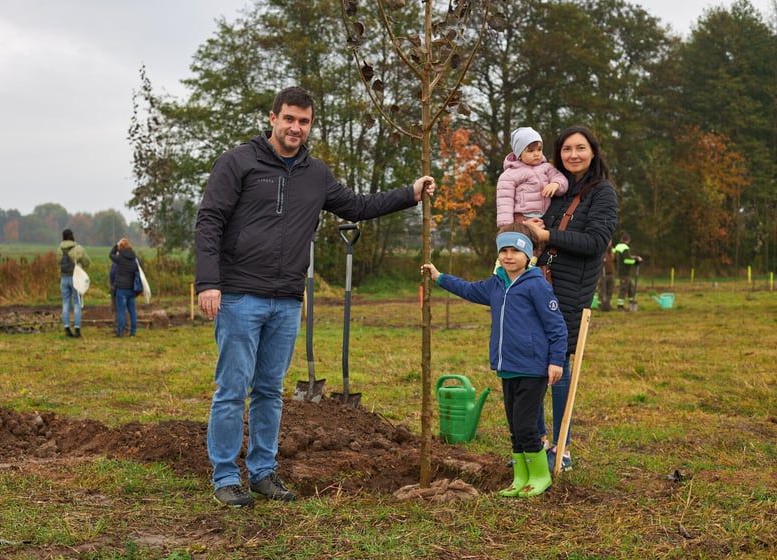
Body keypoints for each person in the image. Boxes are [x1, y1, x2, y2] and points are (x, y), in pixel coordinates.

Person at [194, 85, 436, 508]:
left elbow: (358, 206)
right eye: (289, 119)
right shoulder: (238, 163)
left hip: (287, 300)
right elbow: (209, 220)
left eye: (303, 122)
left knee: (270, 390)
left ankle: (264, 473)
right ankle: (226, 476)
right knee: (232, 389)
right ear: (273, 118)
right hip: (239, 296)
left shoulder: (316, 174)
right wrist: (208, 282)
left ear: (310, 126)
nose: (296, 128)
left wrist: (410, 194)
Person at [422, 224, 567, 497]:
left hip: (533, 367)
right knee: (514, 427)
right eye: (504, 251)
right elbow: (468, 289)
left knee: (526, 426)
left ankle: (539, 476)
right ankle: (520, 476)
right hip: (507, 367)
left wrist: (556, 361)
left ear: (529, 255)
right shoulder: (496, 283)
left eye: (515, 251)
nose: (509, 256)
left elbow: (556, 326)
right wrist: (439, 277)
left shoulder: (536, 285)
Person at [523, 125, 618, 472]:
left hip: (570, 292)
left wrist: (548, 233)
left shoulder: (602, 193)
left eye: (580, 148)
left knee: (558, 369)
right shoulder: (555, 191)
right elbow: (546, 246)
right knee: (531, 367)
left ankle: (562, 450)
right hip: (539, 286)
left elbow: (594, 243)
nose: (573, 155)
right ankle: (537, 443)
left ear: (593, 152)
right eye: (565, 149)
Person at [496, 127, 568, 229]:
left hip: (547, 217)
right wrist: (507, 226)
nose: (536, 154)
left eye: (539, 149)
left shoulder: (546, 167)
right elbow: (504, 201)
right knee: (527, 242)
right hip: (522, 219)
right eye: (530, 151)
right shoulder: (509, 175)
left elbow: (561, 179)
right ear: (519, 155)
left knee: (545, 242)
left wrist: (556, 184)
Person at [58, 229, 90, 338]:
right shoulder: (78, 248)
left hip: (63, 278)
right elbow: (87, 262)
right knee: (77, 303)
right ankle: (77, 329)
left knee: (66, 303)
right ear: (72, 236)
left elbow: (58, 262)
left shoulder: (59, 249)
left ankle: (67, 328)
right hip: (75, 278)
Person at [109, 238, 139, 337]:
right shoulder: (135, 258)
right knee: (132, 311)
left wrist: (116, 246)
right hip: (132, 288)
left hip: (121, 289)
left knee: (121, 311)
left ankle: (120, 333)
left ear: (120, 248)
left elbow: (110, 255)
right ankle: (133, 332)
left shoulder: (120, 258)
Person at [613, 233, 641, 311]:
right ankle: (620, 306)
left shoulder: (617, 247)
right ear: (628, 240)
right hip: (624, 272)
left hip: (623, 272)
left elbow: (623, 258)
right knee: (623, 289)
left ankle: (631, 302)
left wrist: (634, 257)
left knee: (630, 288)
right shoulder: (625, 248)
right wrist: (635, 261)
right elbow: (626, 260)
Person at [597, 240, 615, 312]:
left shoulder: (612, 251)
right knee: (602, 290)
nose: (609, 243)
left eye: (610, 242)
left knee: (610, 290)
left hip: (611, 273)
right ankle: (602, 305)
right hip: (603, 274)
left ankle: (608, 304)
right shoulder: (601, 251)